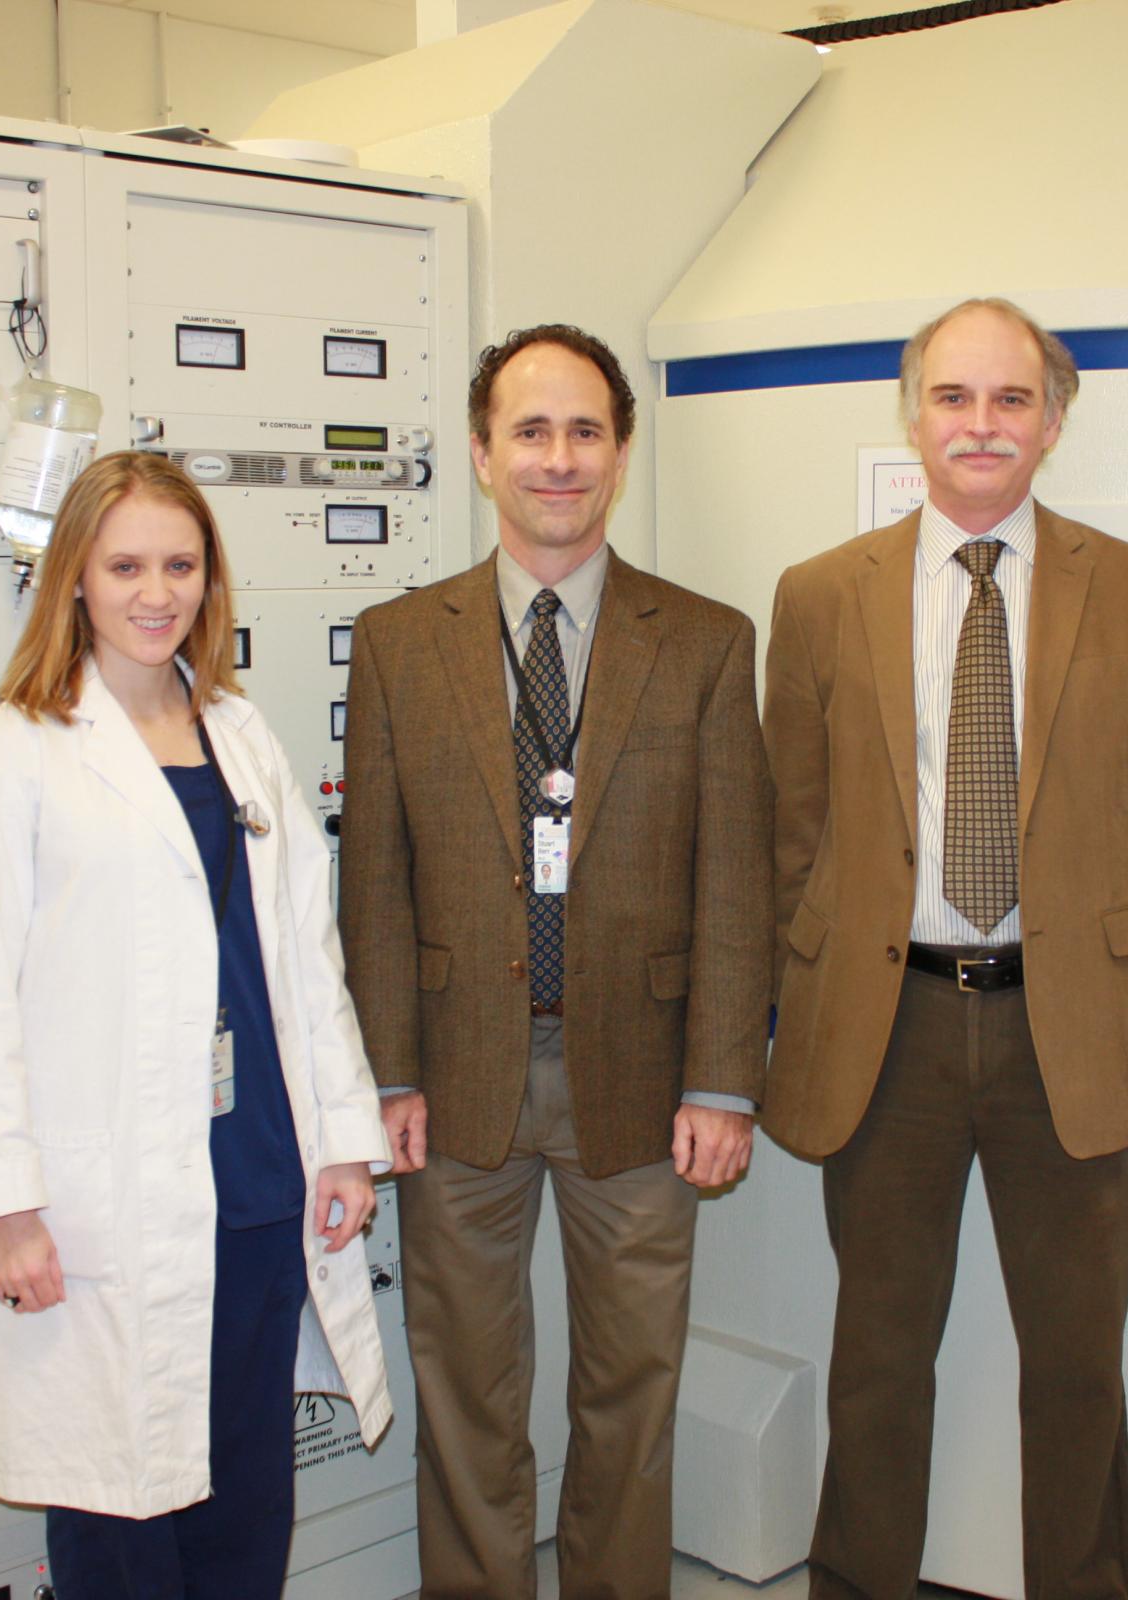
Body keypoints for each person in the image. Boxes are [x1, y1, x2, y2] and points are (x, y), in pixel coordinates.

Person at [761, 297, 1128, 1599]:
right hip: (887, 1032)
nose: (981, 425)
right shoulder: (818, 598)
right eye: (954, 398)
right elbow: (790, 837)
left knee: (1078, 1368)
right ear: (913, 417)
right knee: (879, 1361)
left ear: (1054, 423)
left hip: (1068, 1030)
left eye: (1010, 400)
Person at [339, 323, 773, 1598]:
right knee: (465, 1395)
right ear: (482, 454)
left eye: (586, 430)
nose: (559, 457)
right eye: (530, 430)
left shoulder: (703, 639)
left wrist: (723, 1083)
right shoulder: (398, 641)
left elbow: (736, 876)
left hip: (642, 1081)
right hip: (454, 1074)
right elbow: (373, 878)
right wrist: (386, 1075)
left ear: (621, 453)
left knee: (630, 1396)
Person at [0, 450, 396, 1598]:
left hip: (254, 1179)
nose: (157, 591)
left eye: (180, 563)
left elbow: (305, 953)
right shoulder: (14, 755)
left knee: (243, 1502)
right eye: (127, 563)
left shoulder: (240, 733)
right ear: (75, 576)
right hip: (100, 1206)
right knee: (119, 1520)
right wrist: (10, 1207)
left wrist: (340, 1135)